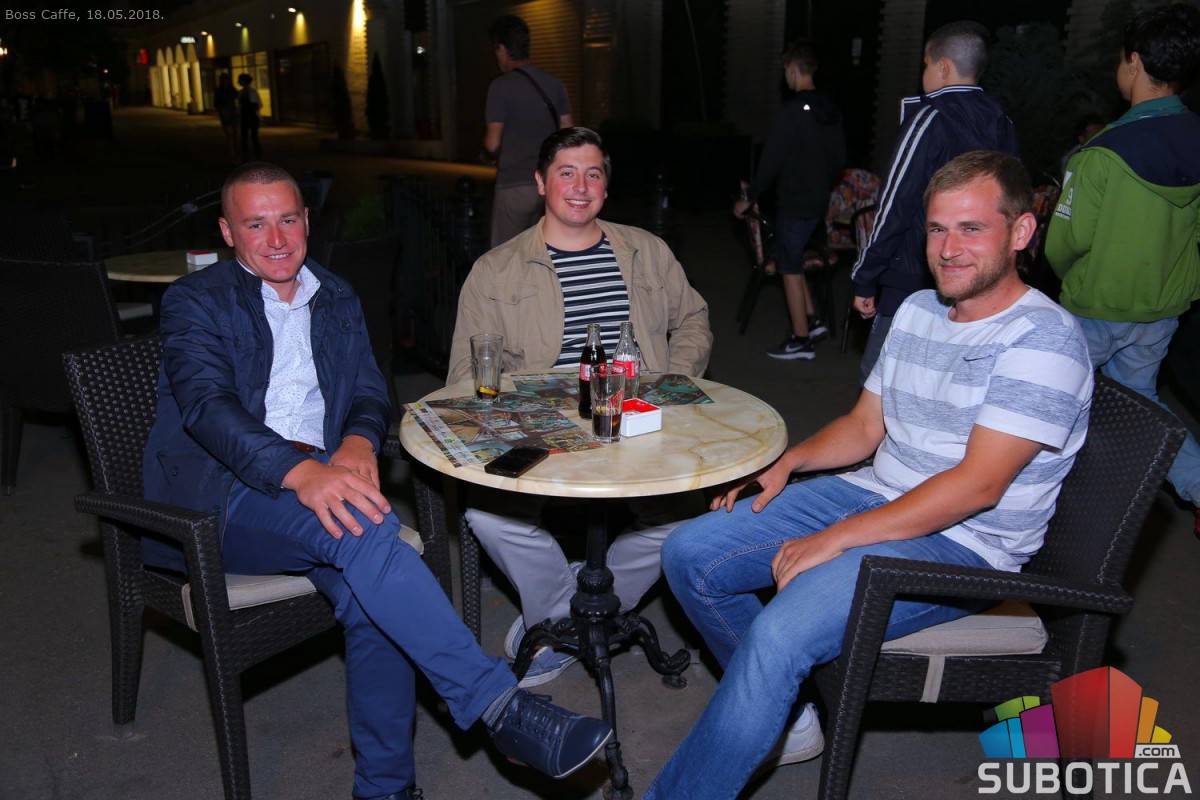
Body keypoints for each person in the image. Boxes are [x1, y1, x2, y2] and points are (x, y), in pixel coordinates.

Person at [142, 162, 612, 800]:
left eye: (288, 219)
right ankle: (499, 706)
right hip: (221, 493)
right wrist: (302, 471)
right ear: (228, 232)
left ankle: (385, 789)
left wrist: (359, 440)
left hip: (321, 474)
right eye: (255, 225)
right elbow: (207, 408)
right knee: (369, 529)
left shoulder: (334, 293)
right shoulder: (195, 300)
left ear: (307, 221)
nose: (276, 239)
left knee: (374, 600)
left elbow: (369, 389)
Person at [646, 151, 1093, 800]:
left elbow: (978, 485)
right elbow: (863, 427)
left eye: (972, 228)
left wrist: (834, 539)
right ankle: (787, 711)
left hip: (965, 543)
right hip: (876, 492)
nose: (949, 249)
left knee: (781, 630)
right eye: (937, 229)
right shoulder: (917, 310)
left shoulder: (1043, 339)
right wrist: (788, 462)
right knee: (690, 552)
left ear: (1021, 232)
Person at [447, 127, 713, 686]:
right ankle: (564, 612)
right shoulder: (495, 270)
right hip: (542, 426)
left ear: (606, 187)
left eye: (593, 174)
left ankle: (572, 614)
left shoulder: (646, 251)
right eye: (566, 172)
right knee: (487, 515)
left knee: (691, 522)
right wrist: (515, 415)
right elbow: (467, 374)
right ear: (541, 182)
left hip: (636, 417)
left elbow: (692, 318)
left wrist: (672, 378)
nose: (580, 186)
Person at [1045, 3, 1200, 538]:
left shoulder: (1101, 152)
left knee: (1049, 400)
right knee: (1143, 402)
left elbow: (1066, 243)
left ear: (1134, 62)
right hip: (1161, 310)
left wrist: (1067, 277)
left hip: (1095, 307)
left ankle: (1022, 500)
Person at [850, 20, 1019, 383]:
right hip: (980, 276)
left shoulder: (929, 118)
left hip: (914, 276)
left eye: (925, 64)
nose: (922, 74)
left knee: (882, 380)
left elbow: (894, 205)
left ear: (942, 67)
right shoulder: (1002, 120)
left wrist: (866, 277)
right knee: (949, 382)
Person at [733, 40, 845, 361]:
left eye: (786, 70)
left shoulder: (792, 111)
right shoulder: (829, 109)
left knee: (789, 266)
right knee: (791, 256)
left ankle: (800, 340)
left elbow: (771, 160)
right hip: (817, 200)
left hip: (795, 201)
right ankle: (812, 320)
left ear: (793, 69)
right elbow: (839, 159)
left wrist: (748, 197)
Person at [483, 14, 572, 247]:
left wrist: (488, 153)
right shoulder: (555, 84)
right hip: (549, 186)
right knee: (538, 250)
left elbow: (492, 144)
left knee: (505, 256)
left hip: (514, 185)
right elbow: (568, 134)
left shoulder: (500, 87)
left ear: (502, 49)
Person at [1057, 112, 1105, 177]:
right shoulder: (1070, 162)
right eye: (1094, 137)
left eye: (1102, 134)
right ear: (1081, 139)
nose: (1100, 140)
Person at [213, 73, 239, 165]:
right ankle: (232, 153)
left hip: (230, 112)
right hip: (227, 113)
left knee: (233, 134)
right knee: (230, 134)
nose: (225, 81)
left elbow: (216, 103)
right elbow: (216, 103)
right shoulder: (228, 90)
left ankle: (234, 152)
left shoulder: (230, 90)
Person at [236, 73, 261, 161]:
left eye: (240, 80)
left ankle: (252, 154)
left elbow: (257, 104)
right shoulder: (242, 92)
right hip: (246, 116)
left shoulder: (249, 92)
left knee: (252, 136)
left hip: (250, 116)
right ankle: (252, 154)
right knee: (247, 137)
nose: (238, 82)